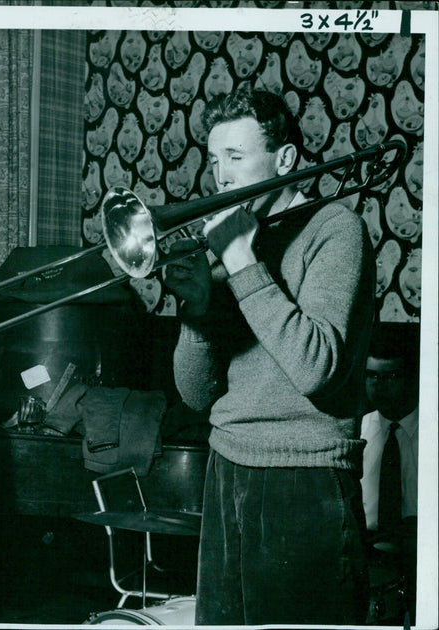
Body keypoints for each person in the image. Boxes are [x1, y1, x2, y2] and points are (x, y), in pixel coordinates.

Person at [165, 86, 375, 625]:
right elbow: (194, 396)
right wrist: (196, 312)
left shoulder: (335, 229)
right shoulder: (237, 248)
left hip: (303, 478)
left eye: (236, 158)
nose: (222, 177)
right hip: (226, 467)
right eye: (216, 161)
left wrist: (239, 261)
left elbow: (316, 368)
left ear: (283, 160)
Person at [360, 322, 420, 622]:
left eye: (391, 376)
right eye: (372, 376)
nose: (379, 385)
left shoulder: (430, 431)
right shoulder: (357, 432)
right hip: (369, 564)